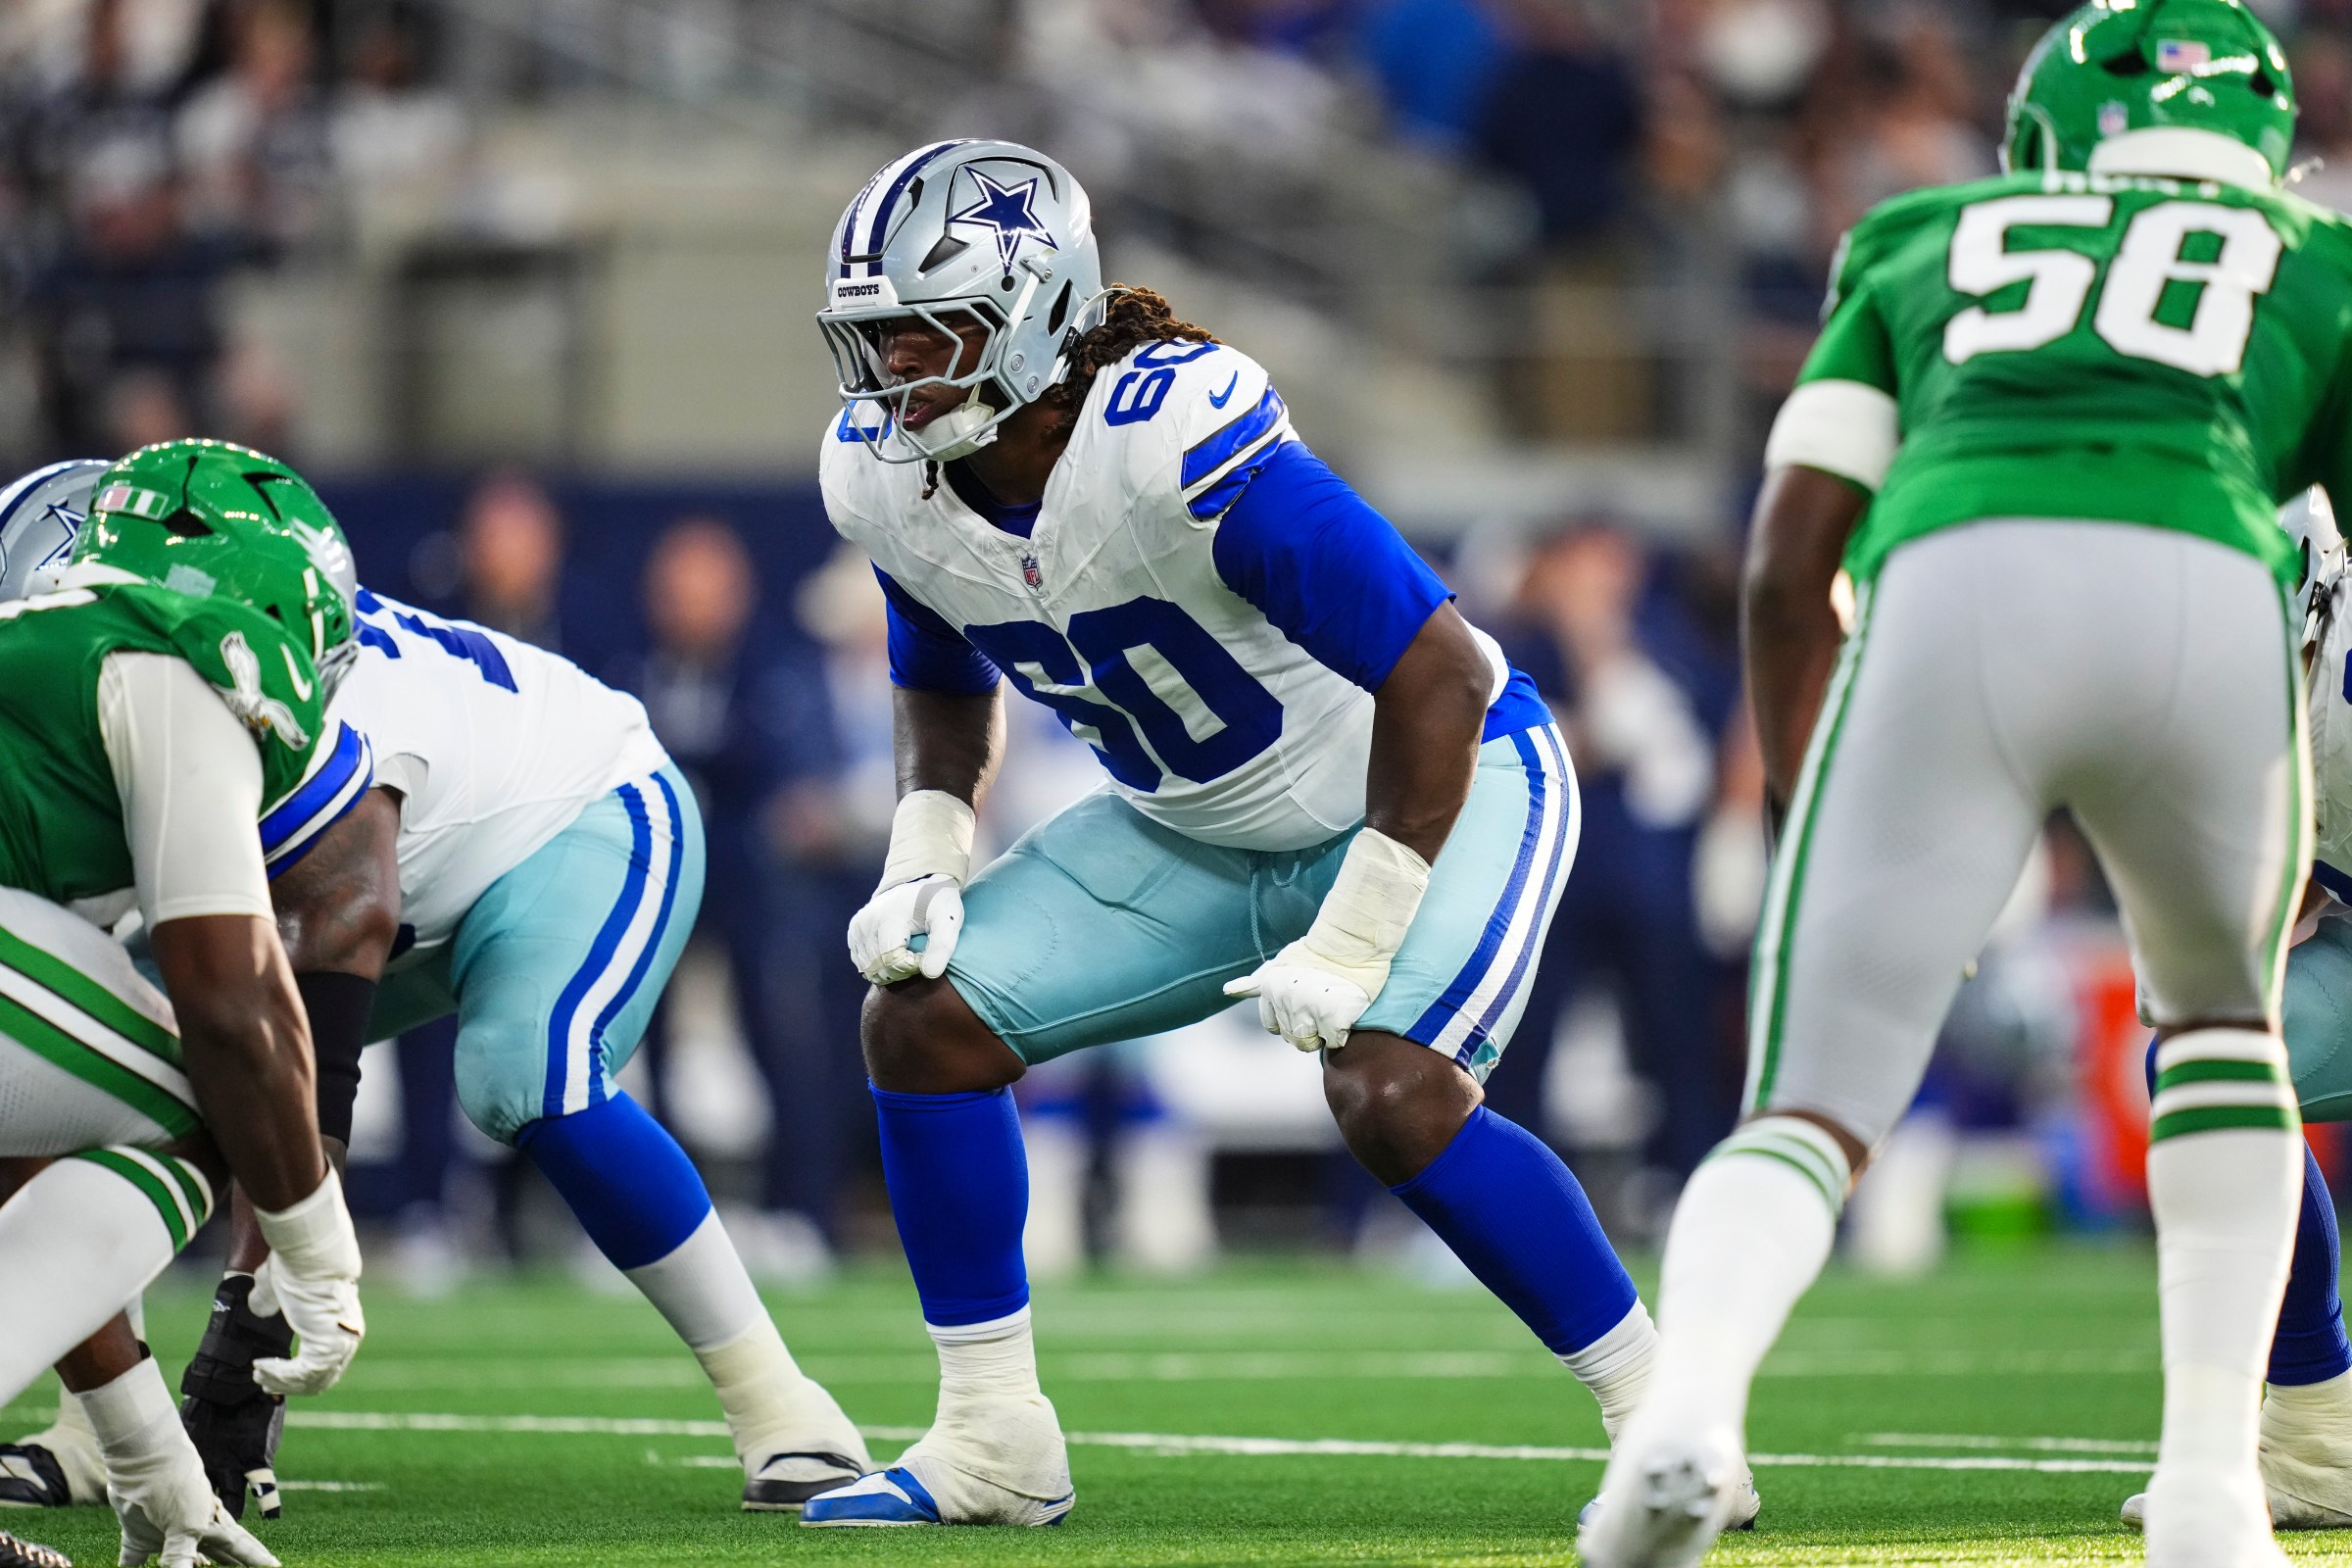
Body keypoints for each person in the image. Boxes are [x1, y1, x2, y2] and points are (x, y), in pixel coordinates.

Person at [798, 138, 1740, 1530]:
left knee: (1392, 1092)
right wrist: (925, 854)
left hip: (1444, 782)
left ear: (1035, 313)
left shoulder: (1173, 436)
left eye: (927, 332)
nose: (893, 371)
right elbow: (939, 673)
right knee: (922, 1020)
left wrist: (1358, 930)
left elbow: (1442, 677)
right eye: (876, 338)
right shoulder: (885, 477)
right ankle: (993, 1438)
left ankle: (1672, 1421)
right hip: (1190, 825)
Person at [1586, 5, 2337, 1563]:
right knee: (2221, 1038)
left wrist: (1807, 799)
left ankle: (1687, 1414)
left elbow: (1789, 560)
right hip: (2208, 577)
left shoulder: (1925, 235)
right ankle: (2213, 1485)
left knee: (1807, 1106)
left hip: (1951, 581)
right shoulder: (2317, 259)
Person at [0, 464, 874, 1522]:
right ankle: (96, 1432)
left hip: (573, 810)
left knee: (526, 1068)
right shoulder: (92, 716)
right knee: (128, 1080)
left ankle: (783, 1405)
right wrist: (131, 1409)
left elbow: (303, 1039)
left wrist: (253, 1326)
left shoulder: (279, 691)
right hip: (377, 882)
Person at [0, 441, 371, 1568]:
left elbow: (30, 1173)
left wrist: (150, 1457)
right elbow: (232, 1008)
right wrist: (317, 1250)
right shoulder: (173, 656)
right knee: (208, 1099)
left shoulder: (44, 684)